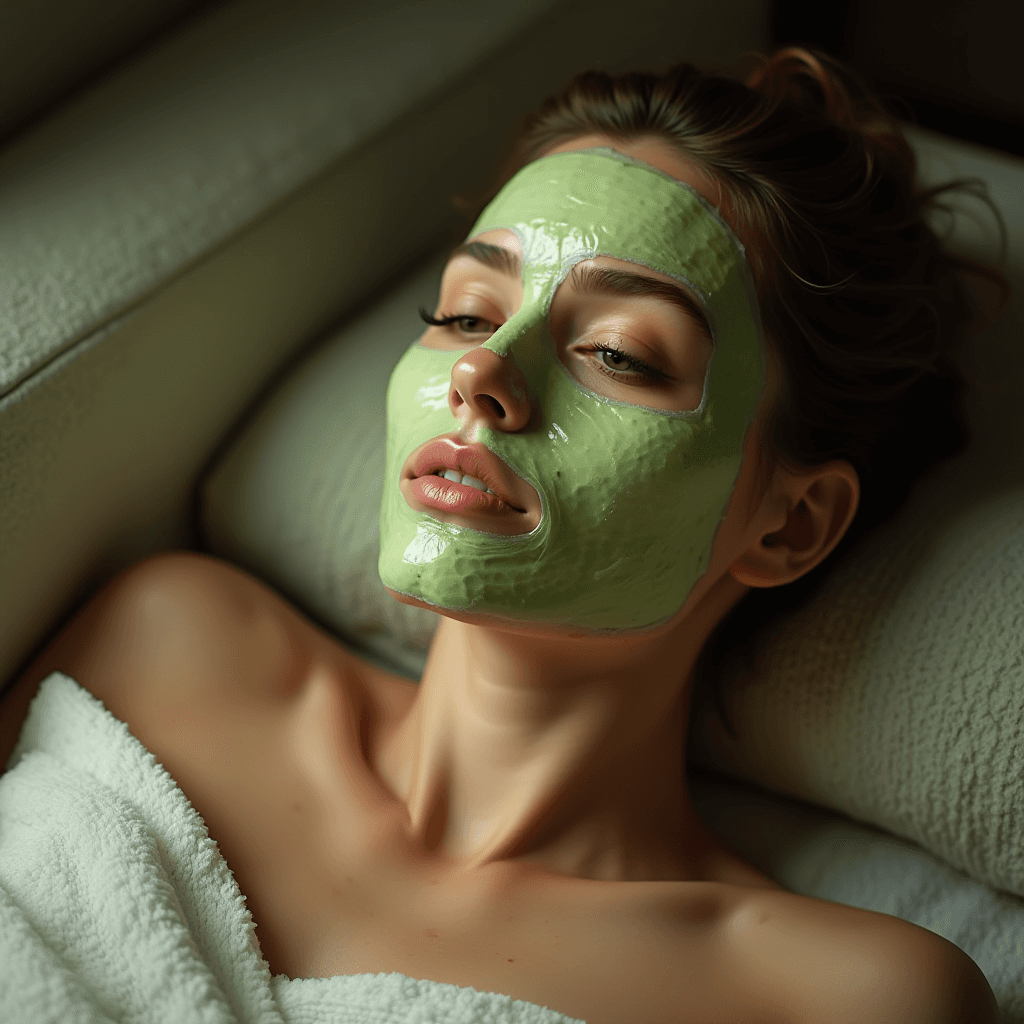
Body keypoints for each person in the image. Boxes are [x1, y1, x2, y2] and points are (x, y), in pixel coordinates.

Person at [0, 48, 1003, 1023]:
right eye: (468, 312)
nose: (481, 374)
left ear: (788, 523)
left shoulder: (832, 994)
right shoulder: (173, 642)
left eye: (615, 352)